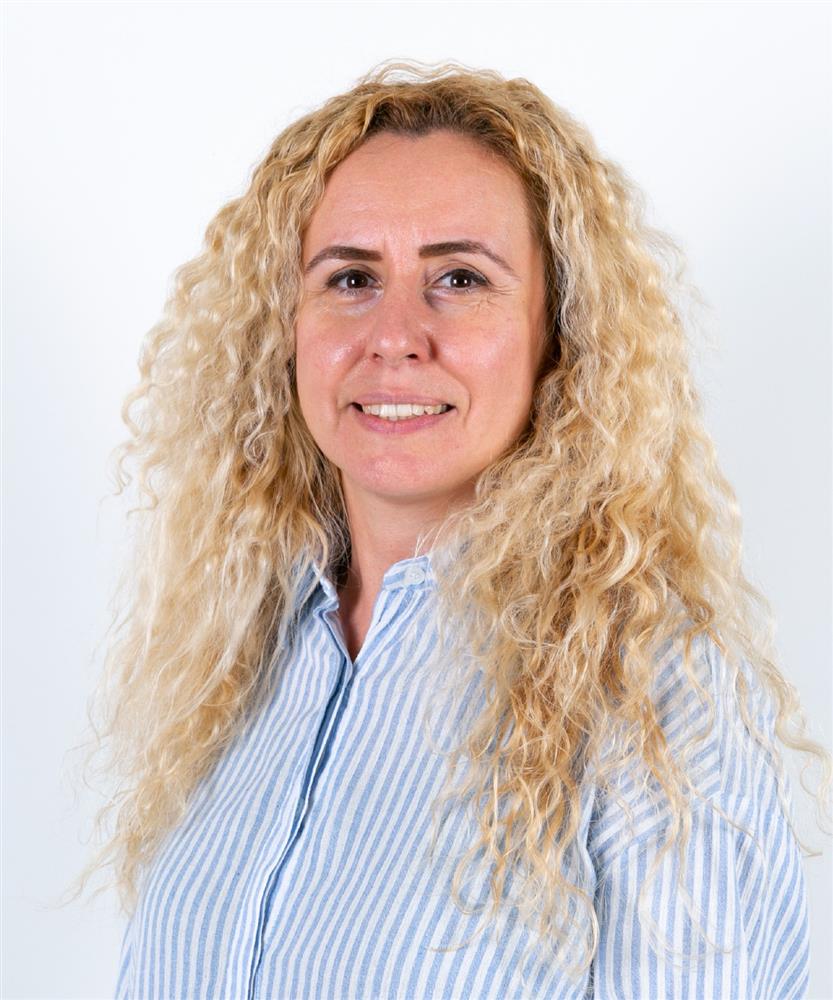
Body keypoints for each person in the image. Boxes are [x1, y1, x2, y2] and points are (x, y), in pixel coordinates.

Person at [78, 60, 829, 999]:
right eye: (351, 277)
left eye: (460, 278)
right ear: (286, 329)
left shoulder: (654, 699)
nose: (395, 334)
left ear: (559, 336)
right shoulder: (234, 657)